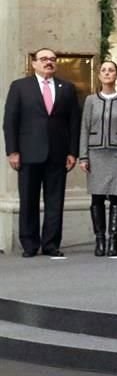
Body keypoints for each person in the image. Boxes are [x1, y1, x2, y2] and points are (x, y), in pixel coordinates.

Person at [3, 48, 80, 257]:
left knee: (55, 200)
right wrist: (12, 151)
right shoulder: (20, 87)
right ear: (34, 63)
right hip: (28, 153)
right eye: (44, 59)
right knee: (28, 199)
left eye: (53, 59)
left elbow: (74, 123)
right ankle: (29, 244)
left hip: (58, 153)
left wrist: (73, 152)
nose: (49, 62)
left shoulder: (67, 88)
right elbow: (10, 121)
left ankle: (51, 244)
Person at [78, 60, 117, 257]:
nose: (107, 73)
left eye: (111, 70)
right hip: (96, 153)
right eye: (103, 70)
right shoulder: (90, 100)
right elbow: (84, 129)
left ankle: (114, 240)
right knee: (97, 197)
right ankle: (99, 239)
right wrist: (83, 156)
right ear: (99, 75)